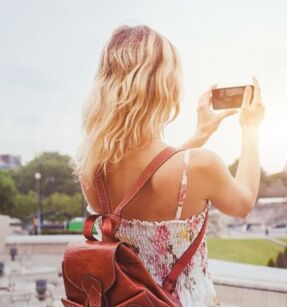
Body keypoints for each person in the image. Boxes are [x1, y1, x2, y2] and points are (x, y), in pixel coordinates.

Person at [72, 25, 265, 306]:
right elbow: (243, 201)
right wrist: (250, 128)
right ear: (166, 87)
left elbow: (151, 171)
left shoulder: (90, 168)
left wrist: (201, 134)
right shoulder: (200, 165)